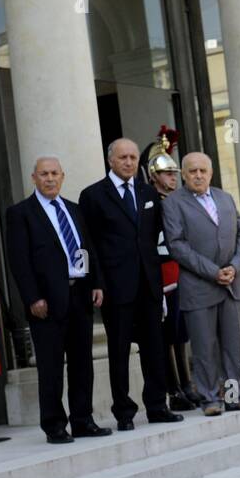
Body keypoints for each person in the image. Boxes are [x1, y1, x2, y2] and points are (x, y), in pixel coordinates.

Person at [78, 138, 182, 431]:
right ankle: (124, 411)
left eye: (133, 157)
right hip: (115, 286)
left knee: (154, 347)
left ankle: (158, 406)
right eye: (123, 157)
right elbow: (90, 244)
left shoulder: (148, 192)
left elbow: (155, 238)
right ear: (110, 160)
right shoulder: (93, 196)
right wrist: (96, 282)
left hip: (149, 284)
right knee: (120, 350)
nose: (128, 162)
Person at [4, 156, 109, 443]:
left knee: (81, 363)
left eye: (54, 174)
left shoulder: (74, 210)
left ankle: (83, 420)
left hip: (80, 296)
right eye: (43, 174)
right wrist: (32, 298)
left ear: (62, 176)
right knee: (51, 366)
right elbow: (19, 261)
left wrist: (95, 282)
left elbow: (87, 247)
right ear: (33, 178)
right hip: (46, 303)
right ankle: (54, 426)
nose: (49, 179)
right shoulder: (21, 213)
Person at [161, 151, 240, 417]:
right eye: (192, 171)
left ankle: (232, 397)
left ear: (211, 173)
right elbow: (177, 245)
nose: (198, 175)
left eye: (203, 170)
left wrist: (234, 267)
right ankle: (209, 399)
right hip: (199, 286)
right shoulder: (173, 203)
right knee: (204, 348)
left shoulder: (224, 198)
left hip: (230, 284)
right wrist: (214, 272)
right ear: (183, 175)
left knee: (231, 347)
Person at [144, 128, 197, 412]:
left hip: (182, 272)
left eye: (175, 173)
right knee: (168, 335)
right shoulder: (152, 203)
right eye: (167, 174)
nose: (173, 178)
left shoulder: (179, 201)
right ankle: (174, 388)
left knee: (182, 333)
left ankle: (187, 385)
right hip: (164, 274)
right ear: (154, 176)